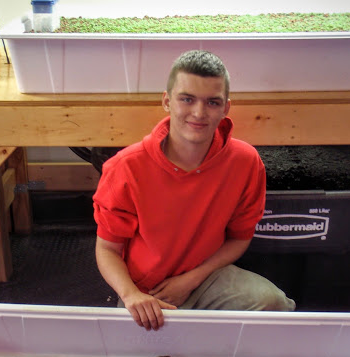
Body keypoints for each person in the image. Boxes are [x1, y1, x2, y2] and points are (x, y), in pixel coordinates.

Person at [93, 50, 295, 330]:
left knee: (274, 303)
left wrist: (192, 279)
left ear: (225, 107)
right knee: (144, 356)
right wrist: (131, 296)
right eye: (187, 99)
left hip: (207, 277)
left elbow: (239, 238)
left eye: (212, 102)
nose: (199, 113)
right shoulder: (125, 167)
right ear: (167, 101)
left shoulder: (246, 162)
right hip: (147, 289)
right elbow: (107, 249)